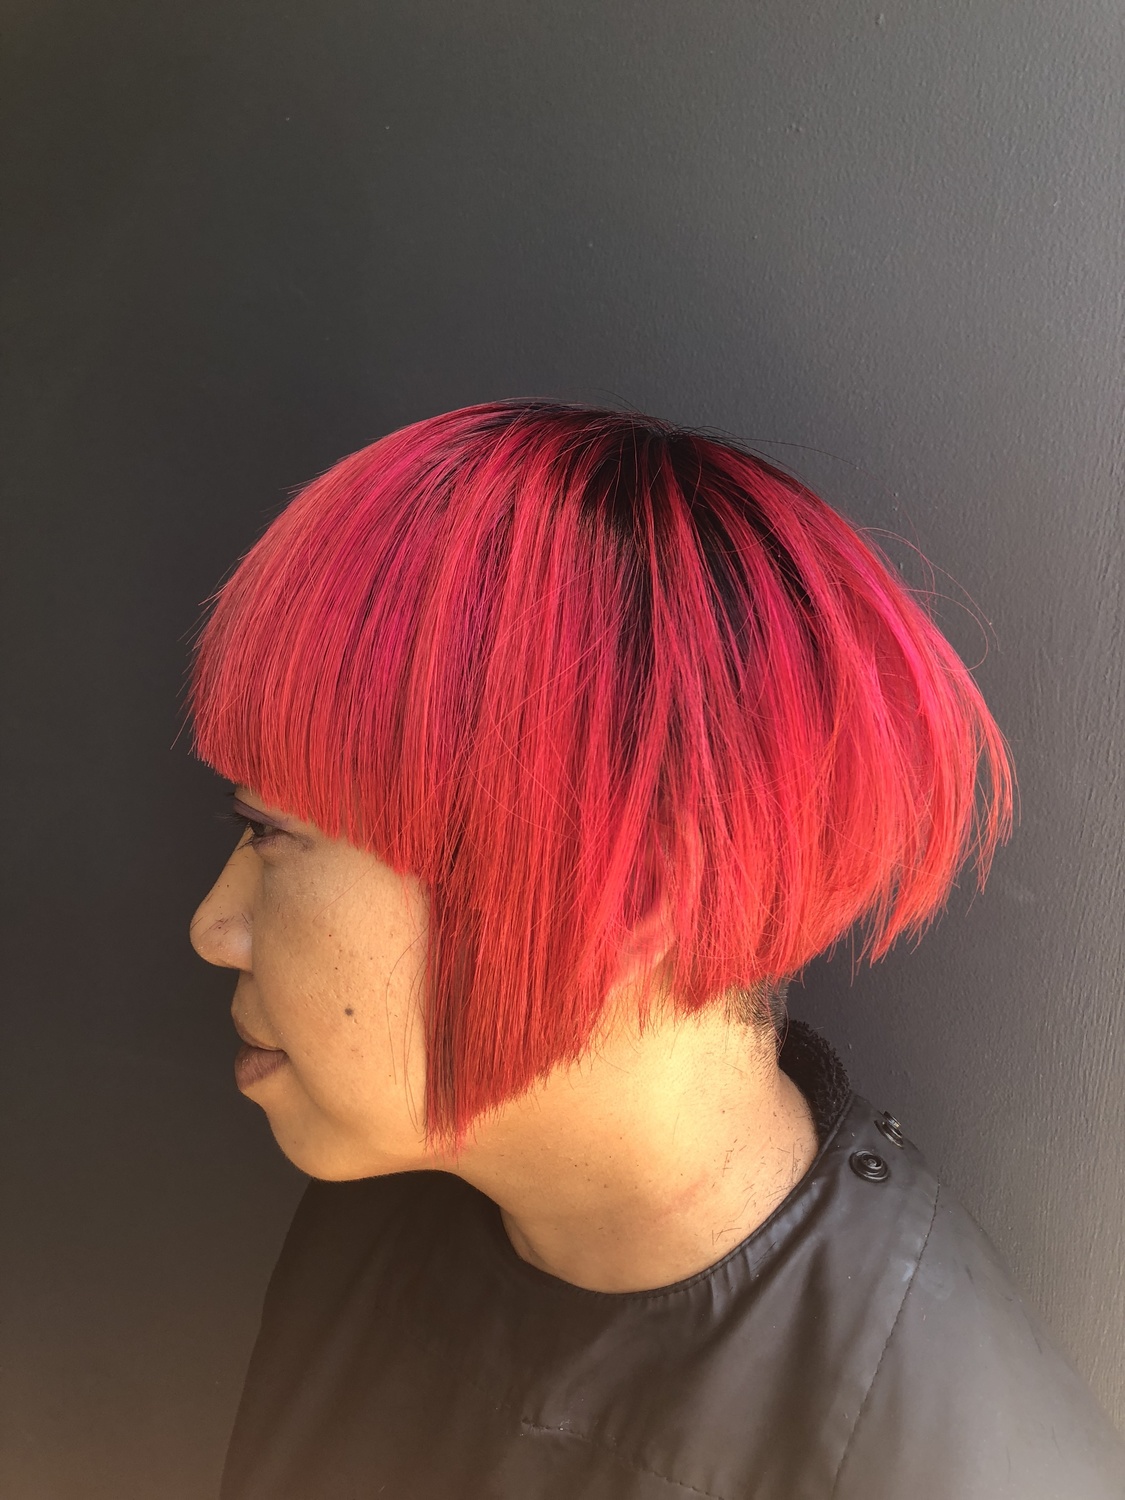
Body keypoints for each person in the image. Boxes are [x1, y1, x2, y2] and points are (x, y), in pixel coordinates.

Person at [187, 399, 1125, 1499]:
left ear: (634, 889)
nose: (213, 928)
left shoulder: (945, 1467)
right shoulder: (389, 1184)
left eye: (269, 834)